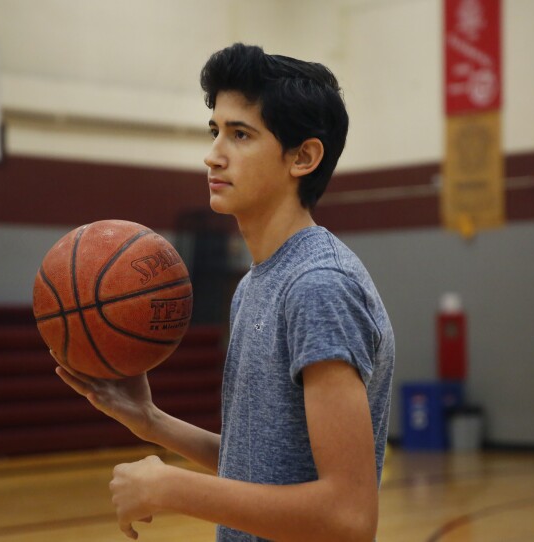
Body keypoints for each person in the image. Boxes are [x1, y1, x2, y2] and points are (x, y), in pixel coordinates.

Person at [54, 43, 395, 541]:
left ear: (304, 156)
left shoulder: (318, 286)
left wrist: (172, 489)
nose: (213, 155)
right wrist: (152, 422)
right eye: (215, 131)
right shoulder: (258, 282)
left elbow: (348, 516)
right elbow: (263, 467)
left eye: (240, 134)